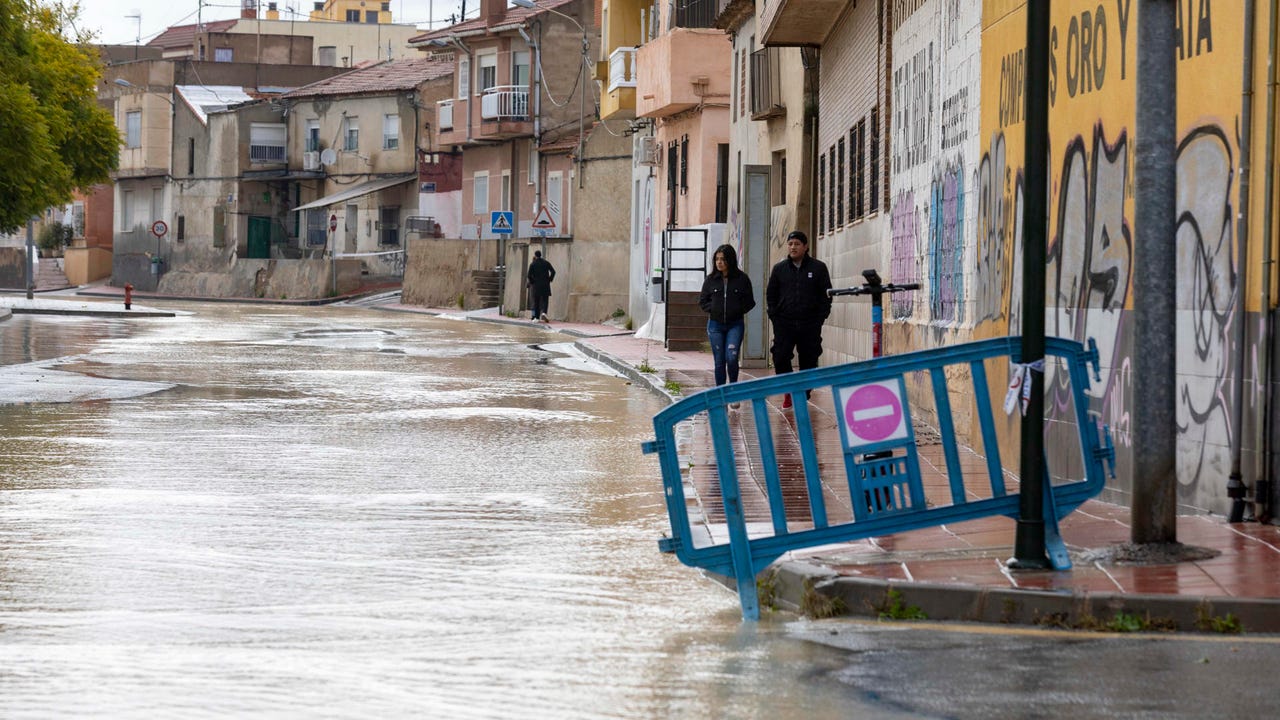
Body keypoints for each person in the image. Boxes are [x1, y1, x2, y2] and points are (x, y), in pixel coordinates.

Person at [765, 230, 832, 408]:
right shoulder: (779, 269)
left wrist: (821, 317)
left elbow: (826, 295)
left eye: (797, 244)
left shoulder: (818, 268)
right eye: (790, 244)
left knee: (809, 359)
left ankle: (803, 392)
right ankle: (789, 390)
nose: (793, 247)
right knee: (780, 356)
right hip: (784, 322)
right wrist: (774, 315)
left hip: (809, 323)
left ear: (805, 246)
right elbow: (771, 294)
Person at [698, 244, 756, 404]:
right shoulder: (710, 280)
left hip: (735, 325)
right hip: (715, 325)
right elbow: (702, 301)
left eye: (723, 259)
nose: (719, 262)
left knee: (731, 357)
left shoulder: (742, 279)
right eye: (717, 259)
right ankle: (721, 396)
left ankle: (733, 391)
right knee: (719, 361)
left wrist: (737, 310)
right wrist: (714, 309)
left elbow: (750, 302)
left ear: (730, 260)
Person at [526, 249, 555, 322]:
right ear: (540, 255)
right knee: (545, 299)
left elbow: (529, 275)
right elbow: (553, 271)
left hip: (536, 285)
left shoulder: (533, 264)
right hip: (545, 284)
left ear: (535, 256)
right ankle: (544, 312)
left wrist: (532, 282)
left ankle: (537, 317)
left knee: (537, 301)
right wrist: (550, 279)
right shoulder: (546, 263)